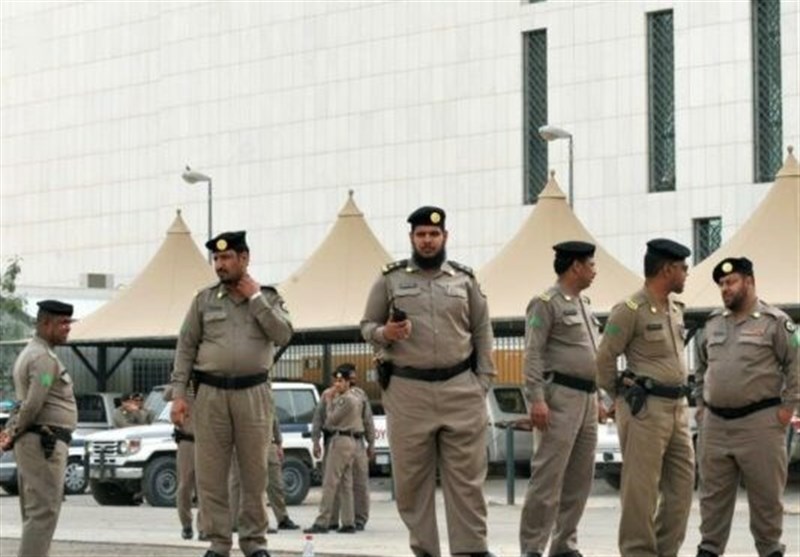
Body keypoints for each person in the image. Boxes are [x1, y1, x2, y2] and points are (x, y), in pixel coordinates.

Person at [360, 206, 497, 557]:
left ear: (445, 237)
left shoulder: (464, 280)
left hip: (460, 389)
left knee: (467, 479)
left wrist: (482, 381)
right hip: (408, 392)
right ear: (411, 238)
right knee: (412, 482)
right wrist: (386, 333)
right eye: (421, 234)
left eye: (434, 234)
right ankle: (425, 550)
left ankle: (471, 549)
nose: (427, 240)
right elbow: (366, 326)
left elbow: (482, 330)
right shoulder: (390, 280)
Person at [169, 230, 293, 557]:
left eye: (226, 257)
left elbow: (283, 334)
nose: (220, 264)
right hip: (210, 395)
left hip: (253, 394)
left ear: (244, 258)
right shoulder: (203, 300)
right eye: (216, 258)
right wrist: (179, 395)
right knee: (211, 475)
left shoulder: (268, 297)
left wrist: (256, 299)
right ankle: (218, 543)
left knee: (254, 474)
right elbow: (185, 348)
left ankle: (254, 543)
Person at [596, 238, 695, 557]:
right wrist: (618, 398)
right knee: (641, 491)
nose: (686, 273)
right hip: (645, 410)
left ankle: (665, 551)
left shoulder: (676, 309)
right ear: (667, 270)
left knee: (682, 487)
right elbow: (604, 358)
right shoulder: (629, 310)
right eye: (682, 268)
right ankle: (638, 552)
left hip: (678, 409)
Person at [694, 257, 799, 557]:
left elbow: (796, 366)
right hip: (715, 425)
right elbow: (701, 367)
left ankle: (770, 549)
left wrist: (788, 408)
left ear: (749, 282)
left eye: (731, 282)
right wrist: (700, 404)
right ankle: (709, 549)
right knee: (712, 498)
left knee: (766, 498)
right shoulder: (713, 323)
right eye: (721, 284)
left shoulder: (775, 322)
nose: (725, 289)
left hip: (760, 424)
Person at [519, 241, 601, 557]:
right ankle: (532, 547)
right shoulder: (545, 303)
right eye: (591, 264)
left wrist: (601, 396)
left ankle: (564, 544)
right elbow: (533, 353)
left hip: (588, 398)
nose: (595, 271)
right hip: (559, 398)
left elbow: (593, 354)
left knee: (580, 479)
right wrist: (536, 399)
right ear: (576, 267)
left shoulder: (585, 304)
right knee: (548, 477)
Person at [0, 300, 77, 557]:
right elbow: (33, 403)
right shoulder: (43, 358)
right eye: (62, 323)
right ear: (45, 323)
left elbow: (28, 402)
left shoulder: (34, 353)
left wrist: (11, 432)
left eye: (69, 322)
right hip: (44, 443)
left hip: (38, 441)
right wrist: (11, 433)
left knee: (37, 513)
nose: (67, 328)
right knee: (43, 512)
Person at [311, 364, 375, 530]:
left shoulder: (359, 395)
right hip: (335, 439)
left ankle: (357, 519)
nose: (352, 380)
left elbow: (367, 419)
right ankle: (334, 520)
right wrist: (316, 440)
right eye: (338, 380)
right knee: (338, 482)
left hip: (356, 440)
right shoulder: (328, 394)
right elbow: (318, 418)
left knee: (358, 483)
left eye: (349, 378)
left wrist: (371, 442)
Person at [164, 385, 204, 541]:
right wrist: (181, 382)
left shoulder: (207, 383)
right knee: (185, 485)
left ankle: (204, 527)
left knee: (206, 486)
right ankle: (186, 524)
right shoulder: (184, 387)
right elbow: (167, 395)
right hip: (187, 440)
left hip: (207, 441)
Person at [266, 413, 300, 532]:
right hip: (252, 447)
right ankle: (259, 522)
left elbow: (275, 423)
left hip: (270, 445)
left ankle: (283, 518)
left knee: (276, 486)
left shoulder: (268, 404)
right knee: (255, 489)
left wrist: (279, 445)